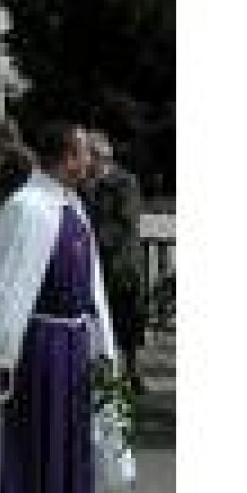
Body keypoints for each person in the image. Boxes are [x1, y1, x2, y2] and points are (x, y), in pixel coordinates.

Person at [0, 122, 133, 493]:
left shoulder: (71, 205)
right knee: (28, 428)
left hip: (75, 337)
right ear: (65, 158)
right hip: (34, 339)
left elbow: (90, 281)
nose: (90, 161)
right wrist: (3, 343)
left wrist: (99, 335)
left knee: (70, 428)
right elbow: (8, 280)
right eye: (84, 153)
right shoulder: (25, 206)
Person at [84, 130, 146, 394]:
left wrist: (90, 237)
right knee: (102, 320)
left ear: (101, 157)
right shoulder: (87, 184)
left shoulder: (125, 182)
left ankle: (132, 372)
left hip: (121, 266)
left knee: (126, 324)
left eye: (89, 155)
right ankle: (107, 371)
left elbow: (127, 221)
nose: (85, 162)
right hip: (98, 263)